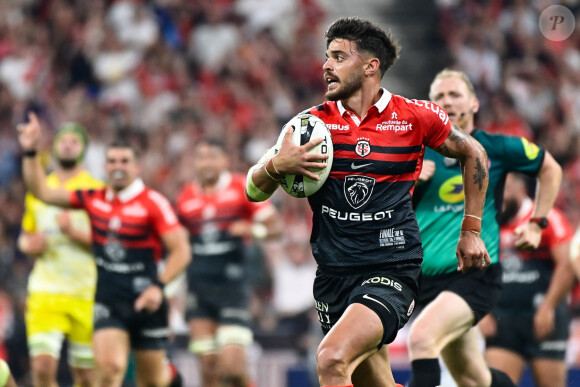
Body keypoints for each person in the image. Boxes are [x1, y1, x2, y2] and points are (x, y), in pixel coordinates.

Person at [245, 17, 490, 387]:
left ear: (370, 66)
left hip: (391, 268)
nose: (326, 66)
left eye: (338, 57)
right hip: (333, 275)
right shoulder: (310, 126)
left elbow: (474, 153)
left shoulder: (414, 116)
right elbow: (253, 188)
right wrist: (278, 166)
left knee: (331, 359)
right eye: (327, 57)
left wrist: (471, 230)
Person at [408, 69, 563, 387]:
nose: (447, 101)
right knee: (472, 377)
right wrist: (408, 178)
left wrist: (537, 222)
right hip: (427, 281)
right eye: (439, 96)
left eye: (455, 94)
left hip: (473, 275)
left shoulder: (496, 147)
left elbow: (550, 168)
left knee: (421, 339)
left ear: (474, 103)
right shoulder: (414, 154)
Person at [17, 112, 190, 387]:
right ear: (104, 166)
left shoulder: (153, 203)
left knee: (153, 381)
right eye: (112, 161)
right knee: (109, 371)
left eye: (124, 161)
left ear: (137, 167)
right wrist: (29, 152)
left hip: (147, 298)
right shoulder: (94, 199)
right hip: (108, 300)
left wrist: (159, 287)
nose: (117, 166)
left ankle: (169, 375)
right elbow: (42, 192)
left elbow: (181, 251)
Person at [176, 138, 282, 387]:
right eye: (201, 157)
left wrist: (251, 229)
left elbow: (276, 229)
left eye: (213, 156)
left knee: (232, 368)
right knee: (209, 370)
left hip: (232, 288)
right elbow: (179, 244)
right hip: (198, 289)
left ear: (225, 160)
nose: (207, 162)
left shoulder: (240, 188)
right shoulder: (186, 196)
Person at [17, 122, 104, 387]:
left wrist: (74, 234)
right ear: (53, 147)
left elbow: (109, 244)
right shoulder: (39, 189)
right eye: (62, 140)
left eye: (74, 141)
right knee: (42, 370)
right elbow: (25, 235)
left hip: (86, 293)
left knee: (86, 378)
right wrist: (27, 246)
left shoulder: (96, 190)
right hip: (46, 291)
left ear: (84, 149)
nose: (67, 144)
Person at [478, 172, 575, 387]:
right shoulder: (488, 222)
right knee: (495, 383)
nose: (498, 200)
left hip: (544, 319)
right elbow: (475, 271)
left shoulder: (545, 218)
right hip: (502, 320)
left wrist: (548, 307)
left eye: (504, 192)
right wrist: (482, 312)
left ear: (520, 189)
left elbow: (567, 265)